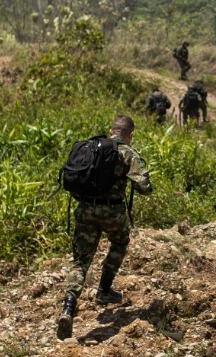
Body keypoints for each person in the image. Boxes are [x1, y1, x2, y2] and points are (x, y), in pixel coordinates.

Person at [57, 115, 153, 340]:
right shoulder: (127, 153)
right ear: (131, 134)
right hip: (112, 212)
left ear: (111, 130)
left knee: (81, 260)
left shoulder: (93, 147)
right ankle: (104, 289)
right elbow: (144, 187)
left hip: (85, 211)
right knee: (120, 242)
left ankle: (68, 308)